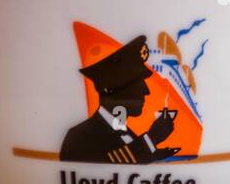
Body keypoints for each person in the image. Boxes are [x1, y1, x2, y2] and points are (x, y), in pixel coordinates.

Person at [59, 36, 178, 164]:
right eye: (138, 83)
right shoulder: (79, 137)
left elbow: (125, 159)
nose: (146, 91)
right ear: (115, 90)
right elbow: (107, 168)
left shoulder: (123, 131)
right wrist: (152, 138)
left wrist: (154, 155)